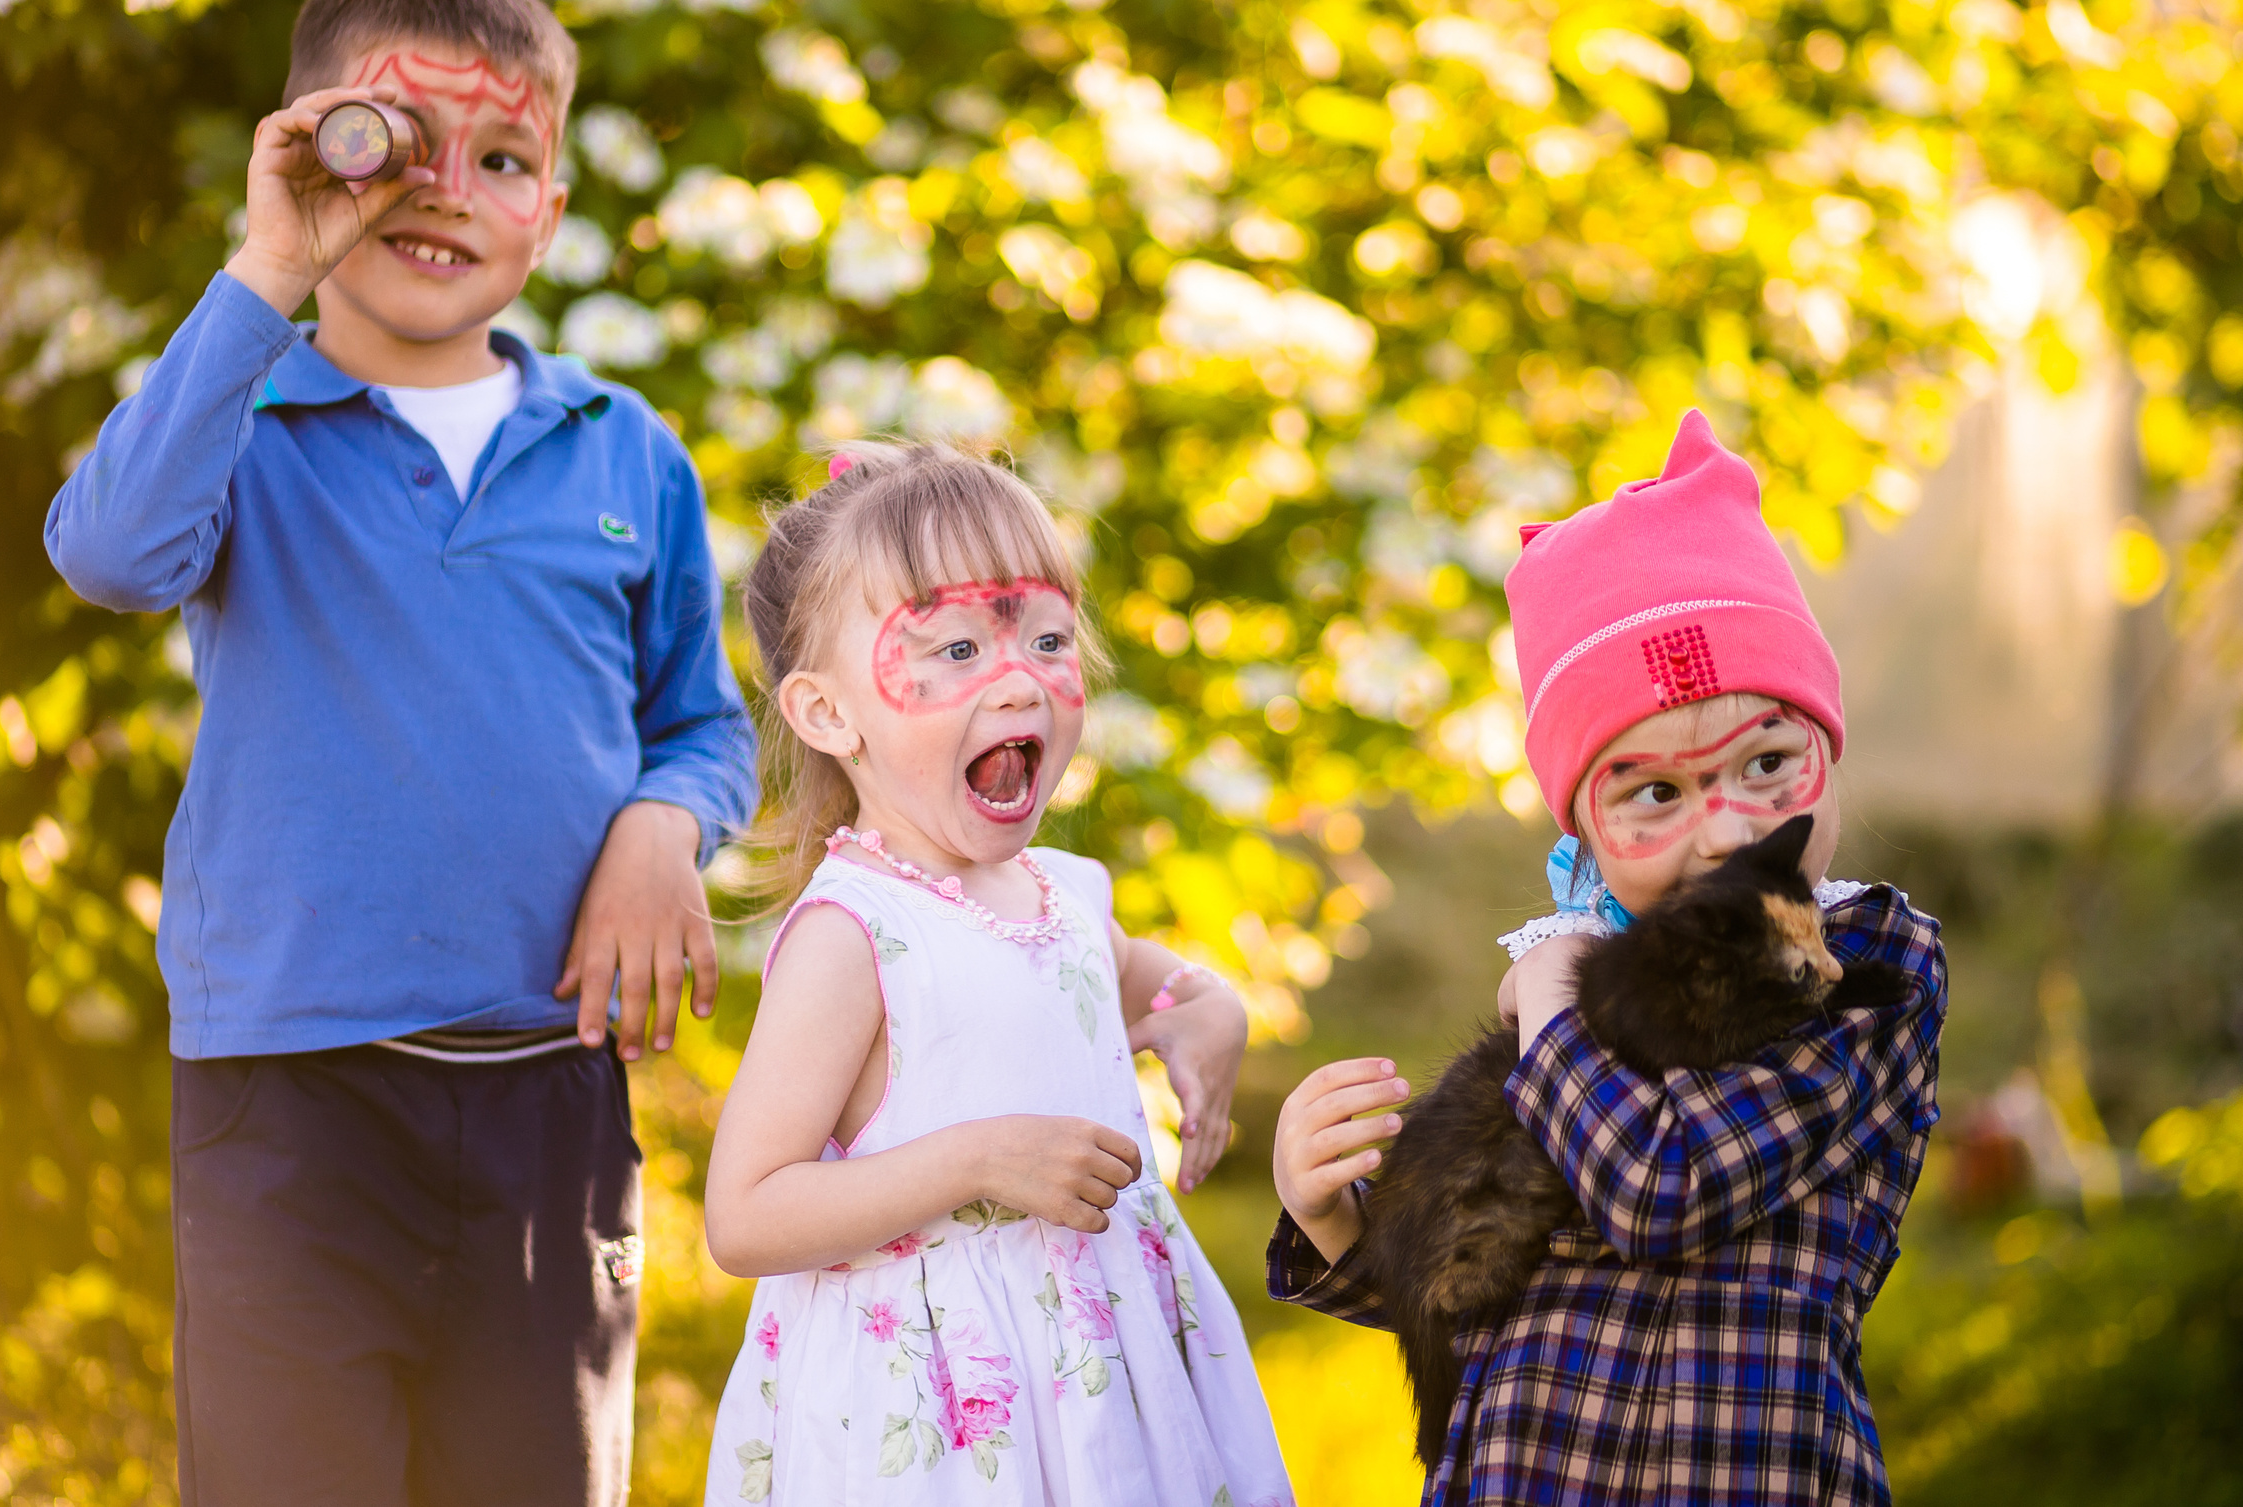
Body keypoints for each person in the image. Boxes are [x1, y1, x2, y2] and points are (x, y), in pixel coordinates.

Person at [45, 0, 757, 1507]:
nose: (446, 194)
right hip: (290, 1095)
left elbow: (707, 727)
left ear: (552, 211)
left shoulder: (620, 450)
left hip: (545, 1099)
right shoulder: (249, 420)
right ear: (312, 150)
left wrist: (659, 824)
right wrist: (267, 268)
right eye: (399, 149)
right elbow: (106, 553)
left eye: (501, 160)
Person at [1267, 411, 1948, 1505]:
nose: (1726, 829)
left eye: (1768, 761)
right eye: (1656, 793)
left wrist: (1550, 996)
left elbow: (1657, 1190)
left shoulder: (1861, 964)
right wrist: (1333, 1219)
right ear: (1582, 828)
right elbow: (1464, 1295)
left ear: (1827, 744)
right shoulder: (1586, 989)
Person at [698, 443, 1293, 1507]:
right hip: (939, 1422)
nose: (1019, 678)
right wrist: (974, 1160)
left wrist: (1209, 1011)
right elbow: (746, 1213)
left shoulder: (1066, 897)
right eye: (960, 647)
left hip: (1106, 1380)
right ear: (829, 715)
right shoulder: (854, 936)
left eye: (1047, 638)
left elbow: (1159, 990)